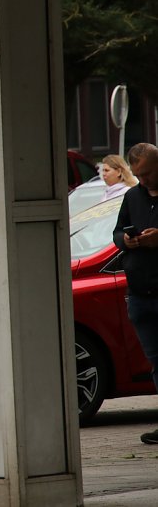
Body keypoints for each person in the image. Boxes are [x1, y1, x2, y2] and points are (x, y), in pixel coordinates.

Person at [112, 143, 158, 444]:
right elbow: (116, 233)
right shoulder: (132, 196)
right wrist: (126, 240)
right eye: (139, 175)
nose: (144, 180)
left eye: (149, 173)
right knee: (157, 361)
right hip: (141, 293)